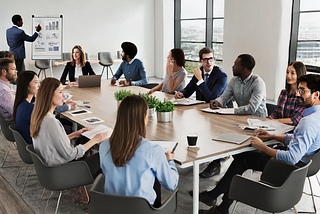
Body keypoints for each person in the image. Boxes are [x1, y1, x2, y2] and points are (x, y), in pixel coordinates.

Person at [197, 74, 320, 214]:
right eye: (298, 90)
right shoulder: (316, 117)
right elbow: (300, 140)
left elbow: (292, 157)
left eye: (302, 91)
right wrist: (273, 136)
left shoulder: (308, 122)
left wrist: (263, 147)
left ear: (316, 94)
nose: (298, 94)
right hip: (302, 164)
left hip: (290, 168)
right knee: (246, 158)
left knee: (244, 159)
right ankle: (217, 201)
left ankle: (218, 203)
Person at [99, 95, 179, 207]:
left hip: (111, 208)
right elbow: (171, 184)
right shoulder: (153, 151)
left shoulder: (104, 146)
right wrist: (170, 161)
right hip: (142, 210)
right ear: (143, 117)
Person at [200, 54, 267, 178]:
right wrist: (217, 102)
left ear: (244, 68)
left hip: (257, 123)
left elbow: (251, 108)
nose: (233, 66)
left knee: (233, 141)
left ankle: (234, 167)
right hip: (240, 120)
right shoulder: (234, 81)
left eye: (236, 64)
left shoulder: (258, 83)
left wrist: (231, 110)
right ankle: (216, 163)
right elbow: (224, 96)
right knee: (218, 130)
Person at [30, 77, 109, 178]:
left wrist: (74, 134)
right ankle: (95, 189)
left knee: (83, 139)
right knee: (105, 153)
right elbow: (70, 154)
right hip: (61, 171)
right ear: (50, 95)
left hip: (50, 167)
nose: (64, 95)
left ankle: (85, 188)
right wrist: (95, 140)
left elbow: (53, 143)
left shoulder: (39, 116)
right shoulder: (51, 122)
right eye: (60, 92)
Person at [13, 71, 39, 144]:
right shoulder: (29, 107)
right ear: (27, 86)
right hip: (35, 146)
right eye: (36, 82)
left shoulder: (21, 104)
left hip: (27, 146)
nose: (39, 85)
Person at [0, 58, 17, 122]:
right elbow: (17, 113)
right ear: (4, 71)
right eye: (13, 69)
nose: (16, 71)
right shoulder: (5, 92)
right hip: (14, 125)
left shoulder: (4, 85)